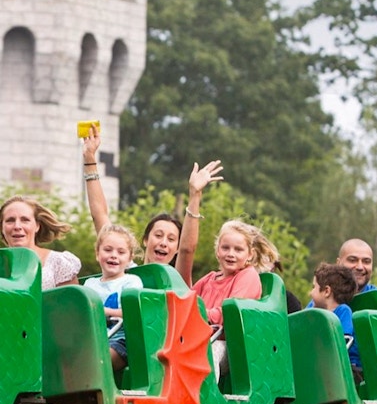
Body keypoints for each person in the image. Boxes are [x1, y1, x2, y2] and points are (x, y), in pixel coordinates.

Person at [81, 123, 222, 271]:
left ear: (177, 249)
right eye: (158, 235)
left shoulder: (177, 281)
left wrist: (195, 195)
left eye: (171, 239)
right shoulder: (125, 272)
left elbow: (188, 250)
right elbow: (99, 215)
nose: (163, 243)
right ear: (146, 240)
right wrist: (90, 159)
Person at [185, 220, 275, 380]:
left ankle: (209, 398)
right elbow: (186, 301)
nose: (231, 254)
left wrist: (200, 313)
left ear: (250, 254)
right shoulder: (209, 279)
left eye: (238, 249)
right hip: (201, 339)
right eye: (225, 248)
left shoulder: (247, 276)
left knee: (209, 355)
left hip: (230, 344)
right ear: (217, 250)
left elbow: (230, 311)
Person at [84, 224, 143, 371]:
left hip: (121, 341)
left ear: (130, 258)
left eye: (121, 252)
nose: (114, 255)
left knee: (96, 359)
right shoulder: (89, 284)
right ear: (97, 254)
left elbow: (132, 313)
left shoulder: (131, 281)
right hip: (93, 341)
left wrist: (103, 311)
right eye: (108, 250)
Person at [0, 195, 81, 290]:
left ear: (37, 226)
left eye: (25, 220)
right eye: (10, 220)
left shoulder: (59, 263)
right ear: (2, 227)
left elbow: (71, 303)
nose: (17, 226)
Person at [310, 262, 362, 378]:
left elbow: (343, 340)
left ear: (327, 291)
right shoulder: (316, 311)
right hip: (325, 364)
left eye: (314, 287)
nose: (310, 293)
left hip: (348, 368)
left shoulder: (343, 311)